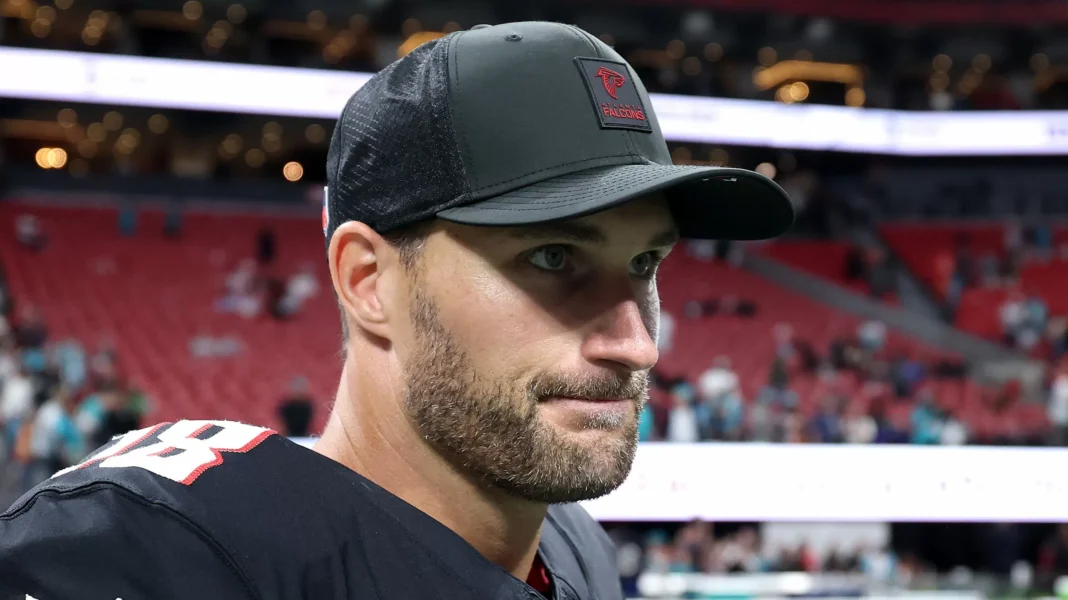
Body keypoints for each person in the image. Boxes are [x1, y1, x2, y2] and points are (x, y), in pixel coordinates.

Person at [0, 21, 792, 600]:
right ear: (367, 280)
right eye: (553, 257)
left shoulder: (574, 548)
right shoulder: (157, 556)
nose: (637, 344)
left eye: (645, 263)